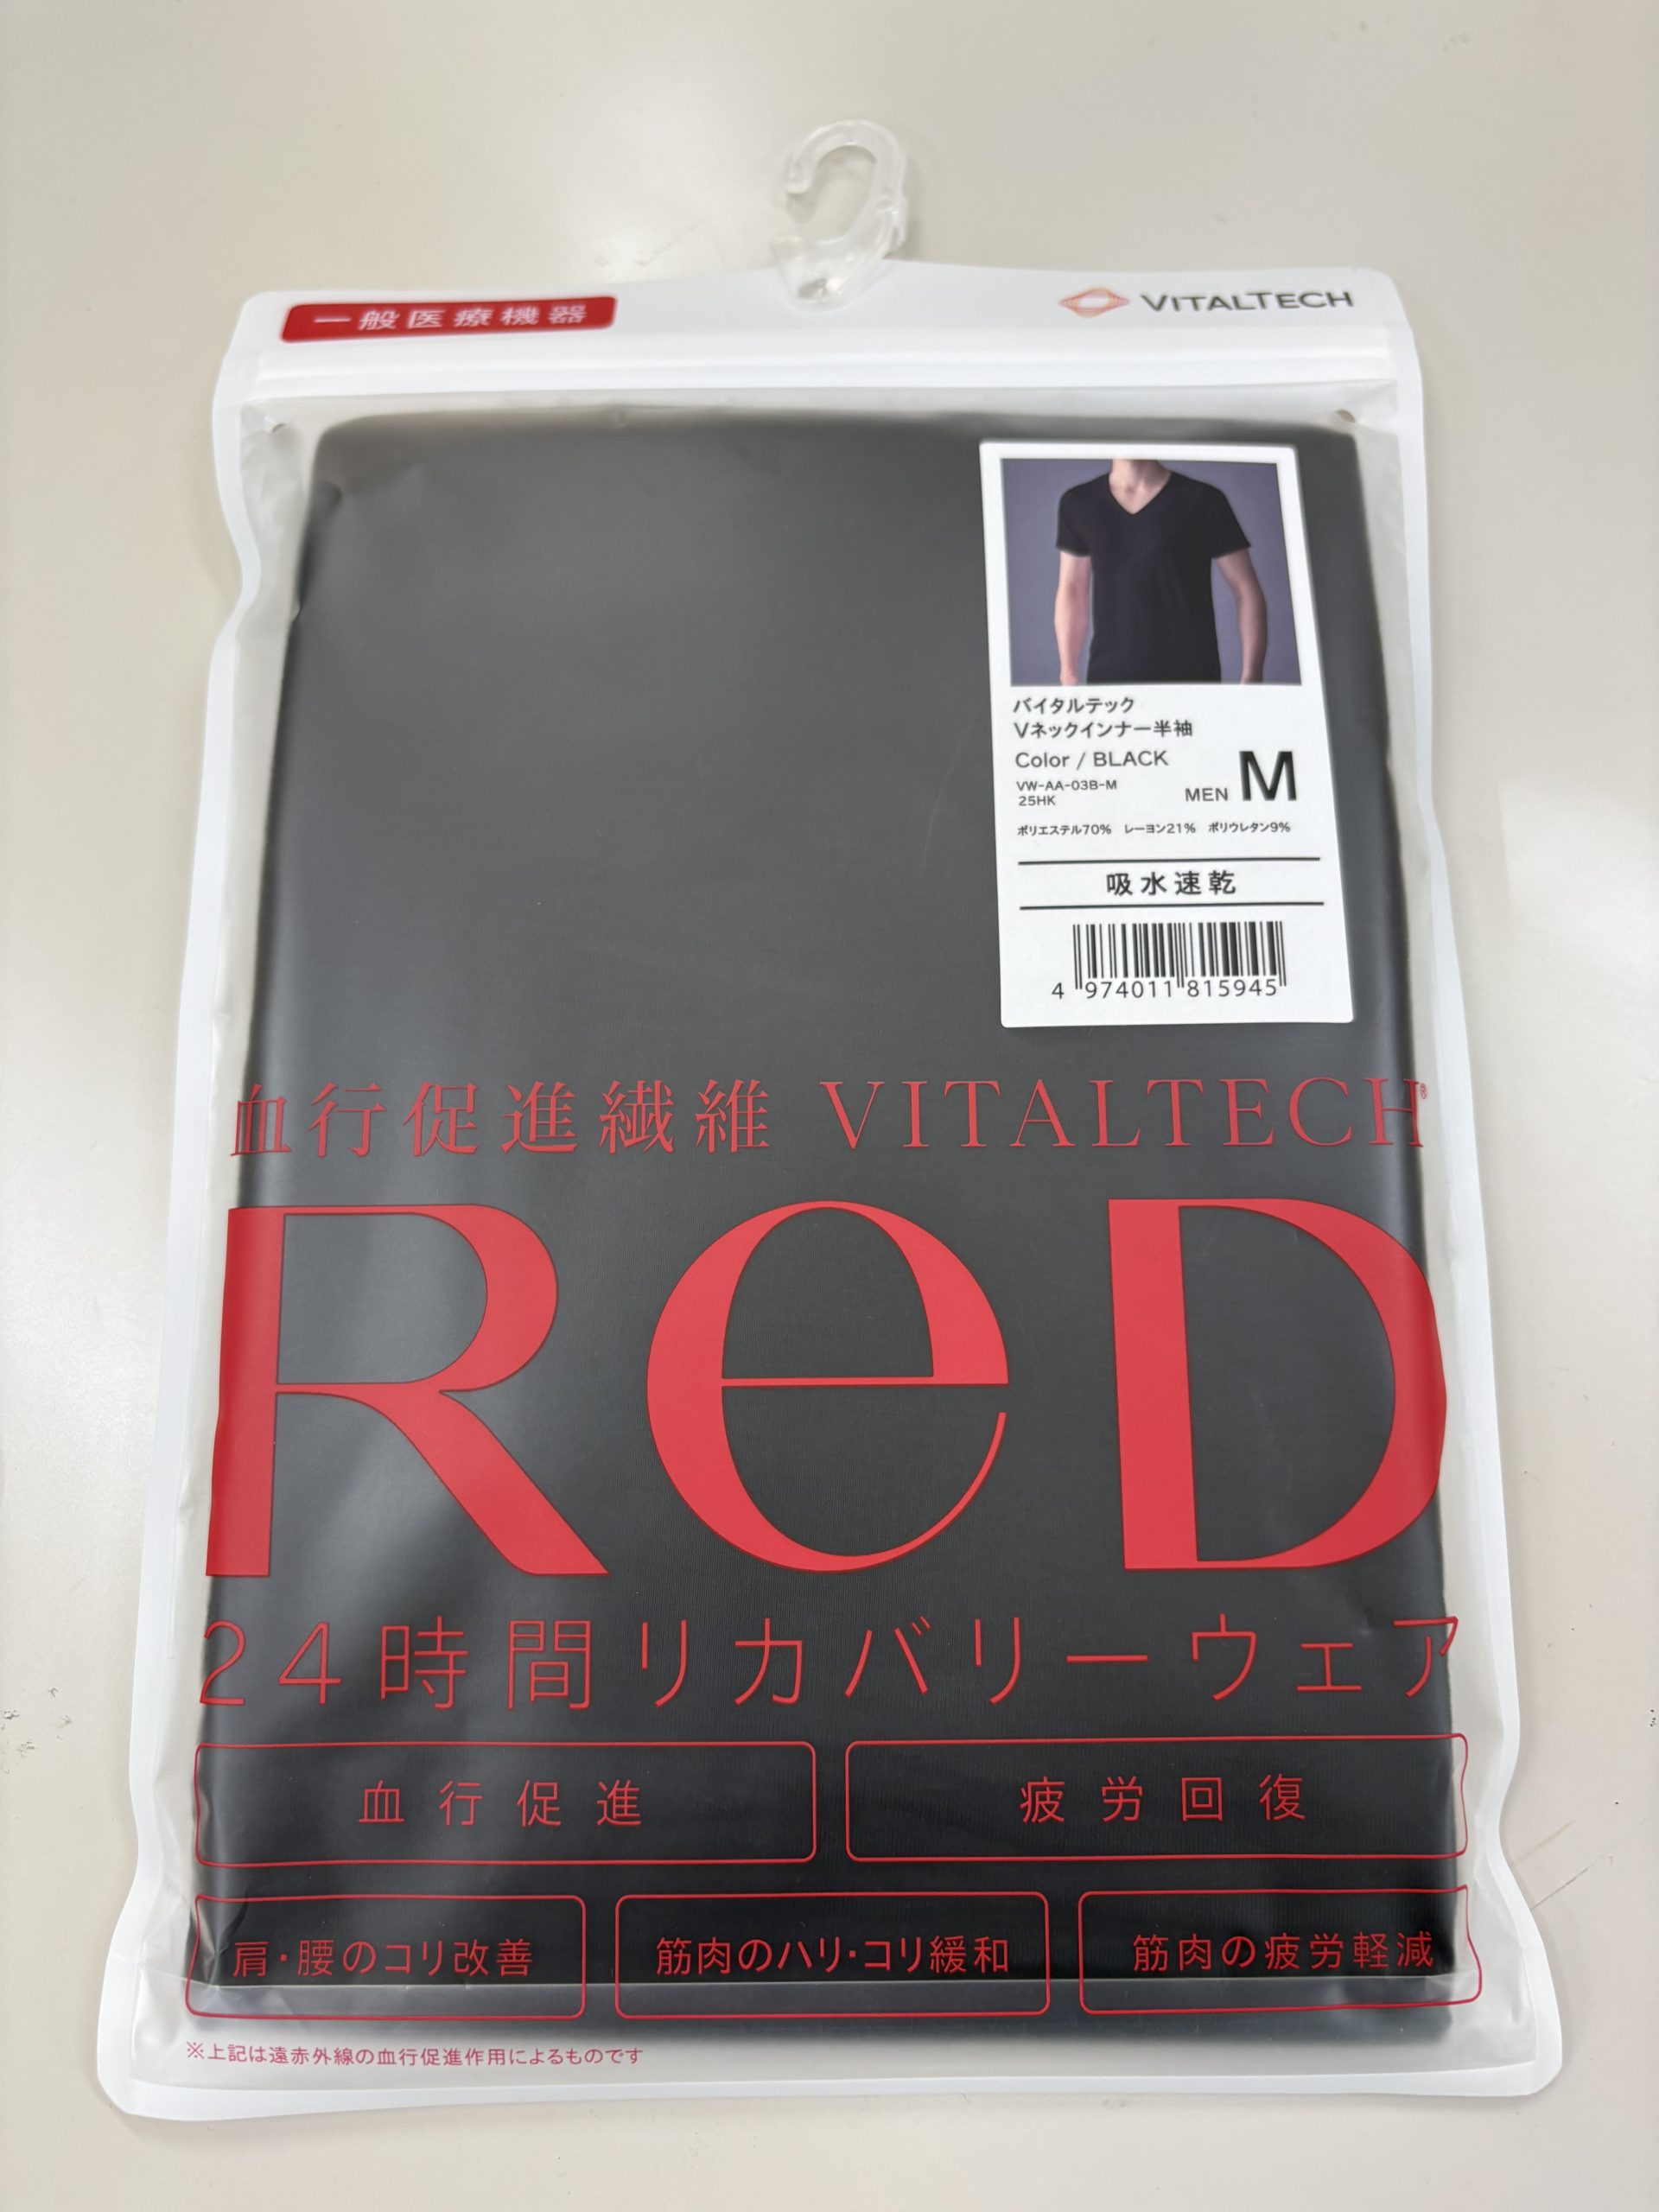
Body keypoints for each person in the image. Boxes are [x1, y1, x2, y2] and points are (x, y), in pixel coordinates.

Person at [1053, 459, 1268, 685]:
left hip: (1192, 678)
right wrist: (1068, 672)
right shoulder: (1080, 503)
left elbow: (1245, 588)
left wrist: (1252, 675)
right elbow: (1072, 588)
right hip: (1111, 679)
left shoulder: (1202, 499)